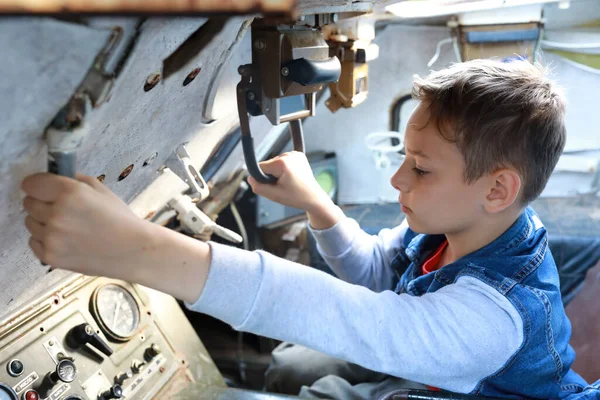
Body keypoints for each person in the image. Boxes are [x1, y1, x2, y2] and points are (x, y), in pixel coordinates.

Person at [20, 59, 600, 399]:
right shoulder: (467, 229)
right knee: (296, 365)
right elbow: (378, 276)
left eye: (421, 168)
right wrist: (318, 204)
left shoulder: (493, 318)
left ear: (497, 189)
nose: (398, 180)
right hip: (428, 377)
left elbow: (361, 321)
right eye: (405, 157)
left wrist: (138, 249)